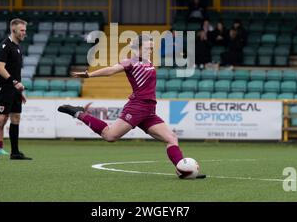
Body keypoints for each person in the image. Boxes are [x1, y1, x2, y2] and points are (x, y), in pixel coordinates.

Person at [58, 34, 205, 179]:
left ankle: (184, 170)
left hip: (149, 110)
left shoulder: (148, 61)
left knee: (172, 138)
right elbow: (111, 70)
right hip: (137, 107)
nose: (150, 50)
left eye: (152, 48)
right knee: (110, 136)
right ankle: (79, 113)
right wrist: (89, 75)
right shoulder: (130, 62)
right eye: (148, 47)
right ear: (138, 48)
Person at [0, 18, 31, 161]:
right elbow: (0, 68)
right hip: (4, 89)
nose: (24, 33)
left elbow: (15, 71)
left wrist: (20, 91)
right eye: (22, 30)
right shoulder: (5, 46)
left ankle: (15, 152)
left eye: (25, 30)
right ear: (14, 30)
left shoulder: (18, 47)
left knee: (15, 118)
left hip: (14, 90)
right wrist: (14, 83)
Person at [0, 67, 27, 156]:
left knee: (5, 121)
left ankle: (0, 147)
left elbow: (16, 84)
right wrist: (6, 83)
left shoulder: (13, 70)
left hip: (11, 95)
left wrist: (20, 93)